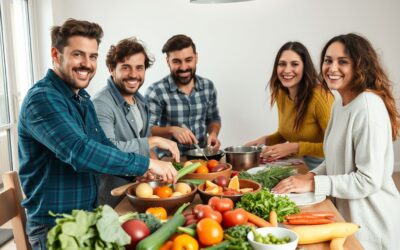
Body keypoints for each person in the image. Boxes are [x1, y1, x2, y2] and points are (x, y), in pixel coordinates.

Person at [18, 19, 177, 249]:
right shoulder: (43, 98)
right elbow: (81, 152)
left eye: (92, 56)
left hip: (89, 218)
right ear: (56, 54)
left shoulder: (81, 98)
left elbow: (104, 145)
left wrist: (136, 172)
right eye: (78, 55)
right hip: (57, 226)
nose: (87, 64)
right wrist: (145, 164)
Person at [272, 33, 400, 250]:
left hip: (373, 228)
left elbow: (368, 180)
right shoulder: (339, 104)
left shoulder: (368, 107)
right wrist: (310, 175)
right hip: (348, 219)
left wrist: (313, 183)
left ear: (360, 66)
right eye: (328, 60)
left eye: (343, 62)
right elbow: (333, 159)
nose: (332, 68)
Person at [93, 37, 180, 207]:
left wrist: (155, 168)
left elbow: (145, 151)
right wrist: (153, 140)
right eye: (126, 67)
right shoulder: (100, 104)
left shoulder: (141, 102)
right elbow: (106, 150)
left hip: (137, 193)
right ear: (111, 69)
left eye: (139, 68)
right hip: (112, 202)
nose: (134, 74)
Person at [246, 42, 334, 169]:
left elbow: (335, 147)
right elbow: (288, 132)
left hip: (325, 165)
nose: (287, 70)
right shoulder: (282, 94)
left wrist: (294, 147)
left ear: (305, 67)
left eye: (294, 64)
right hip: (299, 160)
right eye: (282, 64)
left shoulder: (320, 97)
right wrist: (264, 140)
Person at [145, 34, 221, 154]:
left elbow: (213, 119)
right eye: (176, 61)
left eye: (188, 60)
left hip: (202, 156)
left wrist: (213, 134)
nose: (184, 67)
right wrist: (172, 130)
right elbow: (146, 130)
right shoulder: (156, 91)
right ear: (168, 61)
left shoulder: (208, 86)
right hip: (169, 159)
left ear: (196, 58)